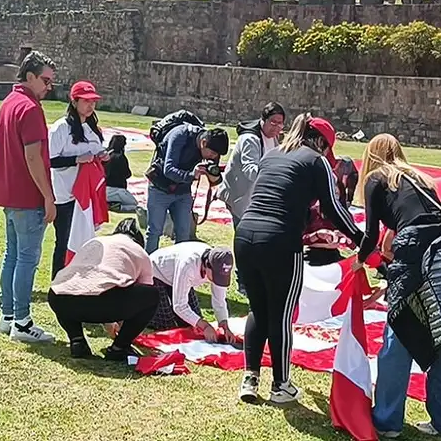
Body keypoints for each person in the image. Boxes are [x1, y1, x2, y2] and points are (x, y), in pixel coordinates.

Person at [356, 134, 441, 439]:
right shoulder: (422, 180)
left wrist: (358, 262)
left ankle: (387, 421)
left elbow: (371, 234)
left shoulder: (377, 180)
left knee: (399, 336)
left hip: (414, 259)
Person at [235, 113, 364, 404]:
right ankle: (280, 385)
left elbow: (275, 195)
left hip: (245, 236)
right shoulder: (315, 160)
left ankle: (250, 377)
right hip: (279, 242)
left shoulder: (273, 154)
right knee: (281, 313)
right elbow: (332, 208)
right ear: (320, 142)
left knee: (259, 309)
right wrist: (360, 238)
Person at [0, 51, 58, 344]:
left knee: (13, 255)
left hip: (9, 193)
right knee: (26, 259)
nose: (48, 86)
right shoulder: (30, 108)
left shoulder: (9, 103)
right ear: (29, 76)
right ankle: (21, 320)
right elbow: (33, 157)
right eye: (45, 80)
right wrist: (48, 196)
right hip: (27, 195)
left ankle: (8, 317)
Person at [48, 218, 160, 360]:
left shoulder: (94, 243)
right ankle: (119, 348)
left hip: (59, 297)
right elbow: (144, 293)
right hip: (105, 301)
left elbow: (91, 282)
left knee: (68, 288)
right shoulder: (140, 252)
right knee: (152, 295)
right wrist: (124, 327)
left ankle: (77, 340)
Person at [48, 81, 107, 278]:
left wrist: (102, 157)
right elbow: (50, 160)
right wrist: (76, 159)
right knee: (64, 242)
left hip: (86, 198)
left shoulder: (92, 129)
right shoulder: (61, 128)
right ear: (74, 102)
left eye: (94, 101)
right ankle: (58, 282)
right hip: (64, 196)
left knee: (84, 241)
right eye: (86, 101)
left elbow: (97, 153)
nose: (91, 105)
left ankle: (78, 281)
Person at [144, 121, 229, 254]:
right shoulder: (180, 136)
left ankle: (180, 267)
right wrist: (191, 175)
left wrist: (211, 174)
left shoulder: (211, 148)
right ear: (203, 142)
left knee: (183, 233)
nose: (214, 157)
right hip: (160, 188)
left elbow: (216, 180)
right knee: (154, 231)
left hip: (182, 192)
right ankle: (148, 268)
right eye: (212, 153)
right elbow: (169, 169)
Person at [148, 241, 237, 343]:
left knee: (191, 325)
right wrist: (205, 325)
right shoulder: (188, 265)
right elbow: (179, 306)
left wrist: (224, 325)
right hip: (155, 273)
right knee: (167, 325)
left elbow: (220, 300)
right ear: (207, 265)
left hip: (176, 277)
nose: (218, 280)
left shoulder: (217, 266)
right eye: (217, 276)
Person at [219, 102, 286, 226]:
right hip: (241, 195)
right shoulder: (250, 139)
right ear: (263, 120)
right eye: (273, 122)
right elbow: (250, 170)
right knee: (244, 233)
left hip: (258, 196)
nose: (276, 127)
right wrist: (272, 176)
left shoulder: (273, 138)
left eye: (280, 124)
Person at [104, 134, 137, 213]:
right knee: (134, 205)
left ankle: (109, 203)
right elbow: (127, 174)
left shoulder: (105, 155)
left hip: (104, 190)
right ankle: (118, 207)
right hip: (118, 190)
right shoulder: (121, 157)